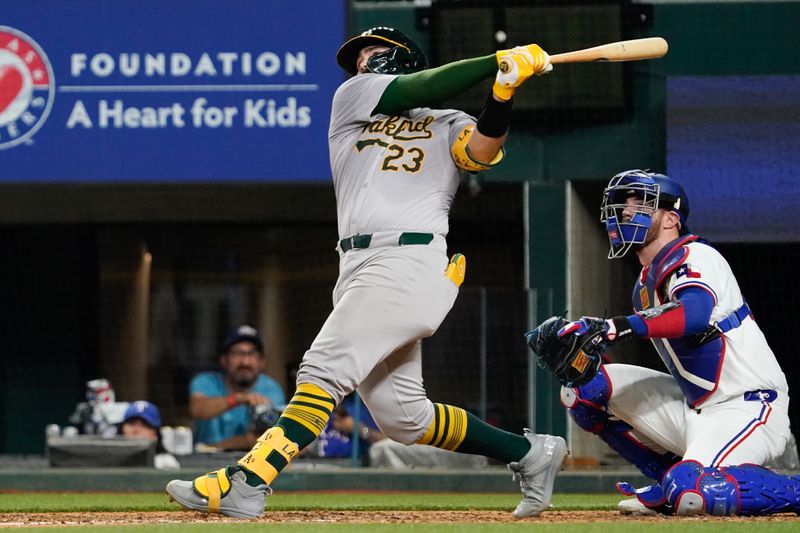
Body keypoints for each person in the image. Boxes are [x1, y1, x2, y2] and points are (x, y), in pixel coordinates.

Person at [167, 26, 567, 520]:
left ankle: (247, 481)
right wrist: (495, 60)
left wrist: (503, 92)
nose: (362, 62)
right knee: (404, 418)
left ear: (407, 58)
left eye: (375, 53)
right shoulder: (353, 103)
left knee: (321, 370)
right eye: (359, 56)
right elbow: (418, 88)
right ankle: (531, 454)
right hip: (356, 264)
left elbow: (480, 153)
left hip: (408, 260)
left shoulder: (447, 120)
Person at [532, 169, 797, 516]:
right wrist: (587, 345)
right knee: (585, 388)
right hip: (696, 408)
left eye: (641, 203)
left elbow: (694, 313)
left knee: (694, 493)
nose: (627, 211)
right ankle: (670, 479)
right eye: (624, 204)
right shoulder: (645, 282)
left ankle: (730, 486)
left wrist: (615, 326)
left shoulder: (697, 255)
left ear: (671, 218)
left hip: (747, 406)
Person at [189, 325, 286, 451]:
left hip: (254, 464)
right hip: (205, 463)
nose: (245, 362)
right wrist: (238, 398)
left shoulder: (271, 388)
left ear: (262, 362)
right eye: (238, 353)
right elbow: (197, 409)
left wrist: (216, 447)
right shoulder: (205, 381)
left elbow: (267, 439)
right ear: (224, 359)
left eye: (253, 354)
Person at [120, 400, 180, 471]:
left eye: (144, 425)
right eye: (131, 424)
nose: (136, 430)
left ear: (155, 434)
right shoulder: (110, 459)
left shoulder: (165, 462)